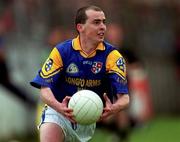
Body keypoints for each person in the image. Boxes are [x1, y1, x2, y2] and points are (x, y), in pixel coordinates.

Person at [30, 5, 129, 142]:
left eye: (103, 22)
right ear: (80, 27)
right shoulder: (62, 51)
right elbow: (44, 89)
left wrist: (113, 108)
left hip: (87, 119)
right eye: (96, 22)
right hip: (58, 112)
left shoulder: (113, 56)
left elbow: (124, 98)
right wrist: (58, 106)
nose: (103, 27)